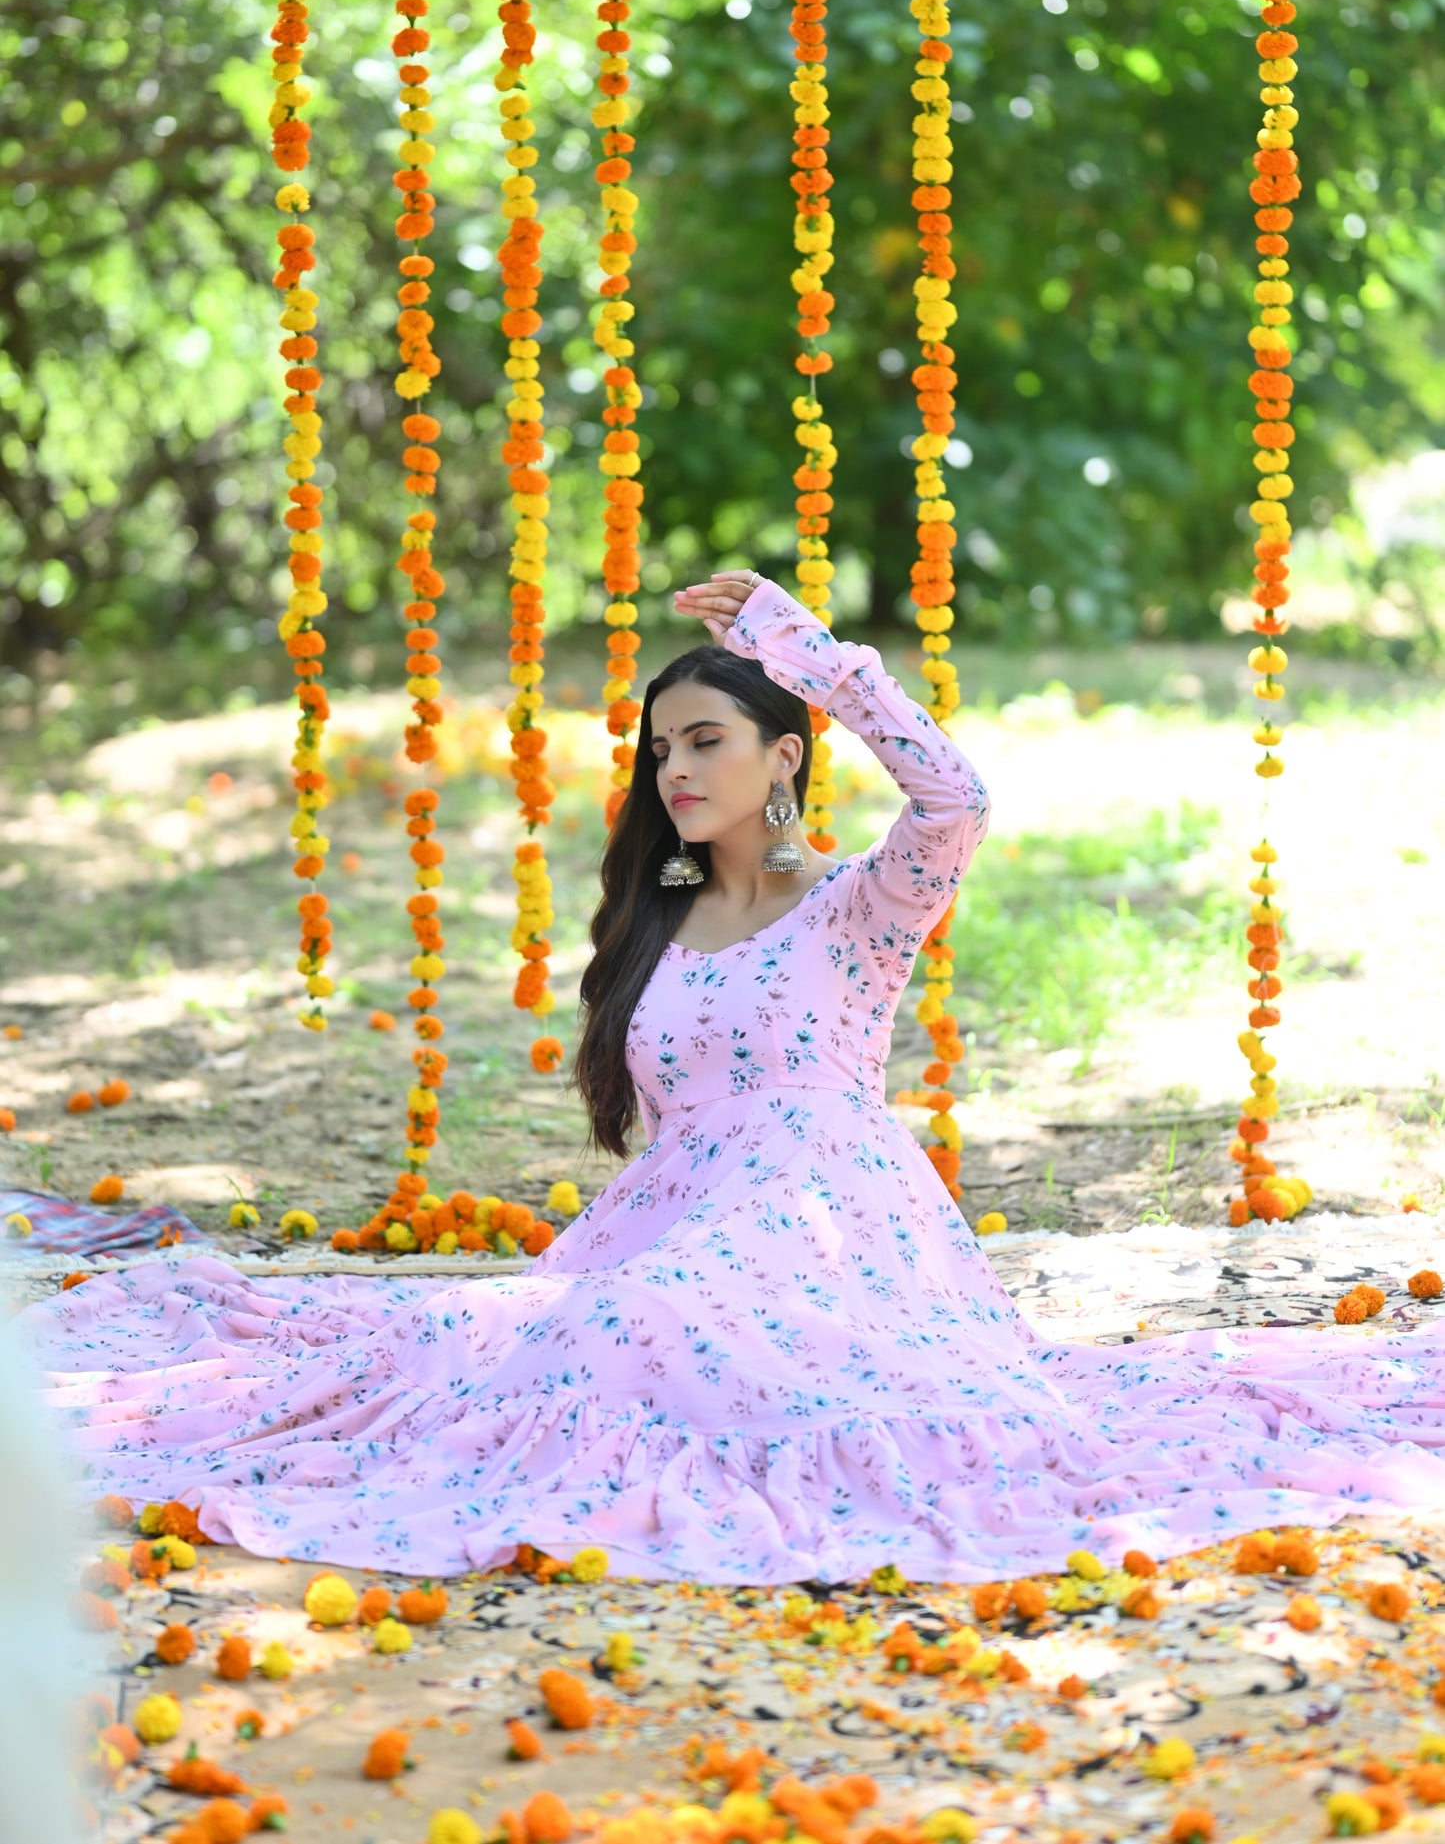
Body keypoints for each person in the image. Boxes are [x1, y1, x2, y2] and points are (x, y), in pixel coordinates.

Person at [19, 573, 1445, 1583]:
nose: (677, 768)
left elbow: (958, 797)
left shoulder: (858, 904)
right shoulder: (667, 911)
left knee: (674, 1355)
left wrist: (813, 649)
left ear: (783, 756)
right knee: (507, 1354)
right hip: (674, 1223)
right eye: (662, 748)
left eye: (706, 739)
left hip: (831, 1232)